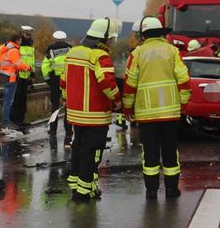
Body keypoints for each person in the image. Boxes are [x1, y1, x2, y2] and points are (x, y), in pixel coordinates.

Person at [122, 17, 191, 200]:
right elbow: (184, 80)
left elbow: (130, 84)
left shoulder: (137, 54)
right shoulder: (172, 51)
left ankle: (151, 191)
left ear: (143, 34)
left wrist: (127, 108)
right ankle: (171, 190)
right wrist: (183, 103)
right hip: (170, 113)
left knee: (150, 153)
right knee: (170, 152)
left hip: (146, 115)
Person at [61, 18, 121, 202]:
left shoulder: (72, 53)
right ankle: (84, 192)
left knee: (78, 148)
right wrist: (117, 101)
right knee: (92, 152)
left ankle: (78, 186)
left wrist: (67, 100)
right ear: (103, 38)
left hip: (75, 113)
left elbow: (63, 81)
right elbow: (107, 83)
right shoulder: (100, 56)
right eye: (110, 39)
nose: (111, 42)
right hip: (95, 115)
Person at [41, 30, 72, 146]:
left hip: (55, 80)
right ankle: (68, 131)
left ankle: (53, 130)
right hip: (68, 79)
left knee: (54, 106)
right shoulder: (70, 49)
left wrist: (48, 80)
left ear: (55, 39)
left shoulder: (51, 50)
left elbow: (45, 66)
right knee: (68, 106)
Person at [0, 33, 30, 133]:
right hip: (10, 78)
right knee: (8, 101)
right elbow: (19, 64)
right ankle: (6, 122)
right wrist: (28, 68)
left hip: (5, 77)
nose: (21, 42)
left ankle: (6, 121)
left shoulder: (5, 48)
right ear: (17, 40)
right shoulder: (13, 51)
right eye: (20, 40)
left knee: (7, 101)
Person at [10, 25, 36, 127]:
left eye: (30, 34)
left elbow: (32, 59)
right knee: (16, 99)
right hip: (17, 75)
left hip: (26, 75)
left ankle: (21, 120)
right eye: (26, 34)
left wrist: (32, 73)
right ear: (21, 33)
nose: (28, 36)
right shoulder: (17, 44)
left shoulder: (31, 44)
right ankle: (14, 120)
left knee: (23, 100)